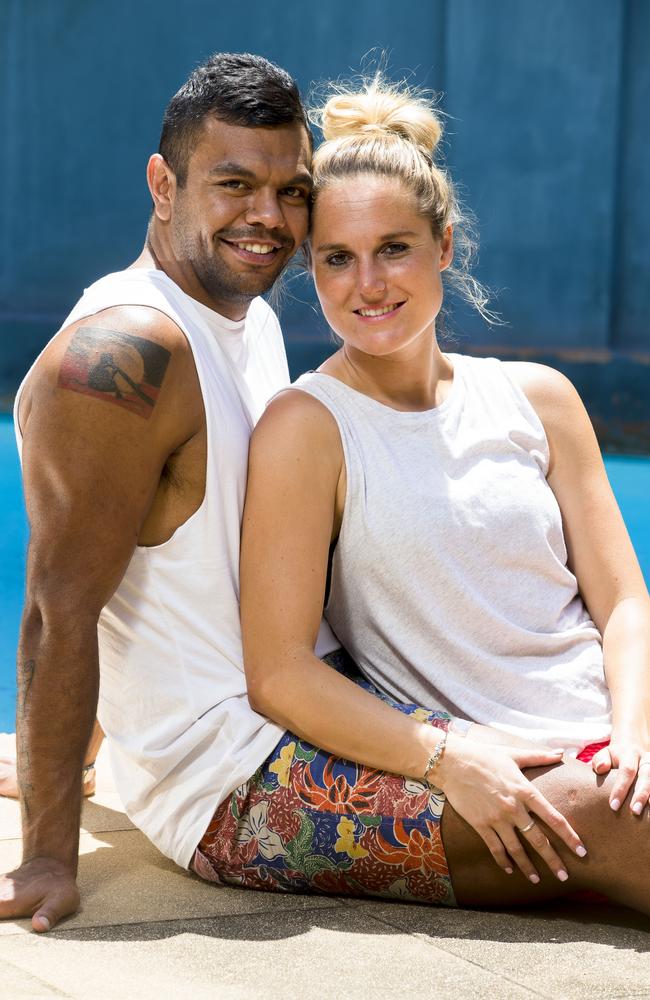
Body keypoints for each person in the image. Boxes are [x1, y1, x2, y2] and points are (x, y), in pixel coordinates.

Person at [226, 78, 650, 915]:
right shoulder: (308, 428)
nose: (367, 284)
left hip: (622, 743)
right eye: (337, 258)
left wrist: (637, 732)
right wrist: (446, 757)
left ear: (445, 245)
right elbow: (277, 672)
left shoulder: (539, 398)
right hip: (523, 771)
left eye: (395, 248)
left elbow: (624, 601)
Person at [0, 51, 324, 932]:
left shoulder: (246, 317)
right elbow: (60, 609)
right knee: (586, 829)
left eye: (292, 190)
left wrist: (67, 752)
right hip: (233, 781)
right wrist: (44, 857)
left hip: (302, 715)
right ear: (162, 184)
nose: (268, 218)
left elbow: (160, 576)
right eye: (233, 185)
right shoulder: (125, 353)